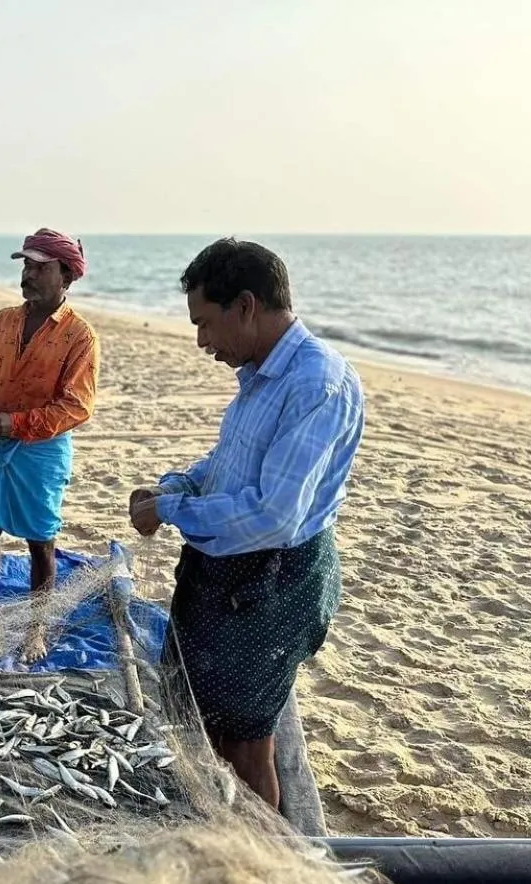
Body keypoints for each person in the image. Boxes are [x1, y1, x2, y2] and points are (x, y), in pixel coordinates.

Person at [129, 238, 364, 809]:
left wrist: (169, 510)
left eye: (206, 323)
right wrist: (179, 483)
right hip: (228, 573)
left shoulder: (316, 383)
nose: (202, 342)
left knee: (245, 743)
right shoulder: (261, 374)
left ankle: (264, 854)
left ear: (247, 307)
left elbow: (273, 514)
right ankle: (224, 821)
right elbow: (232, 461)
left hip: (270, 582)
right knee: (211, 719)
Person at [0, 228, 99, 662]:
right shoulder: (3, 321)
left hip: (41, 451)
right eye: (26, 266)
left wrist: (16, 423)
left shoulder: (80, 336)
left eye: (40, 268)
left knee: (41, 541)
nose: (29, 274)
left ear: (66, 276)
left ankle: (36, 630)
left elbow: (76, 407)